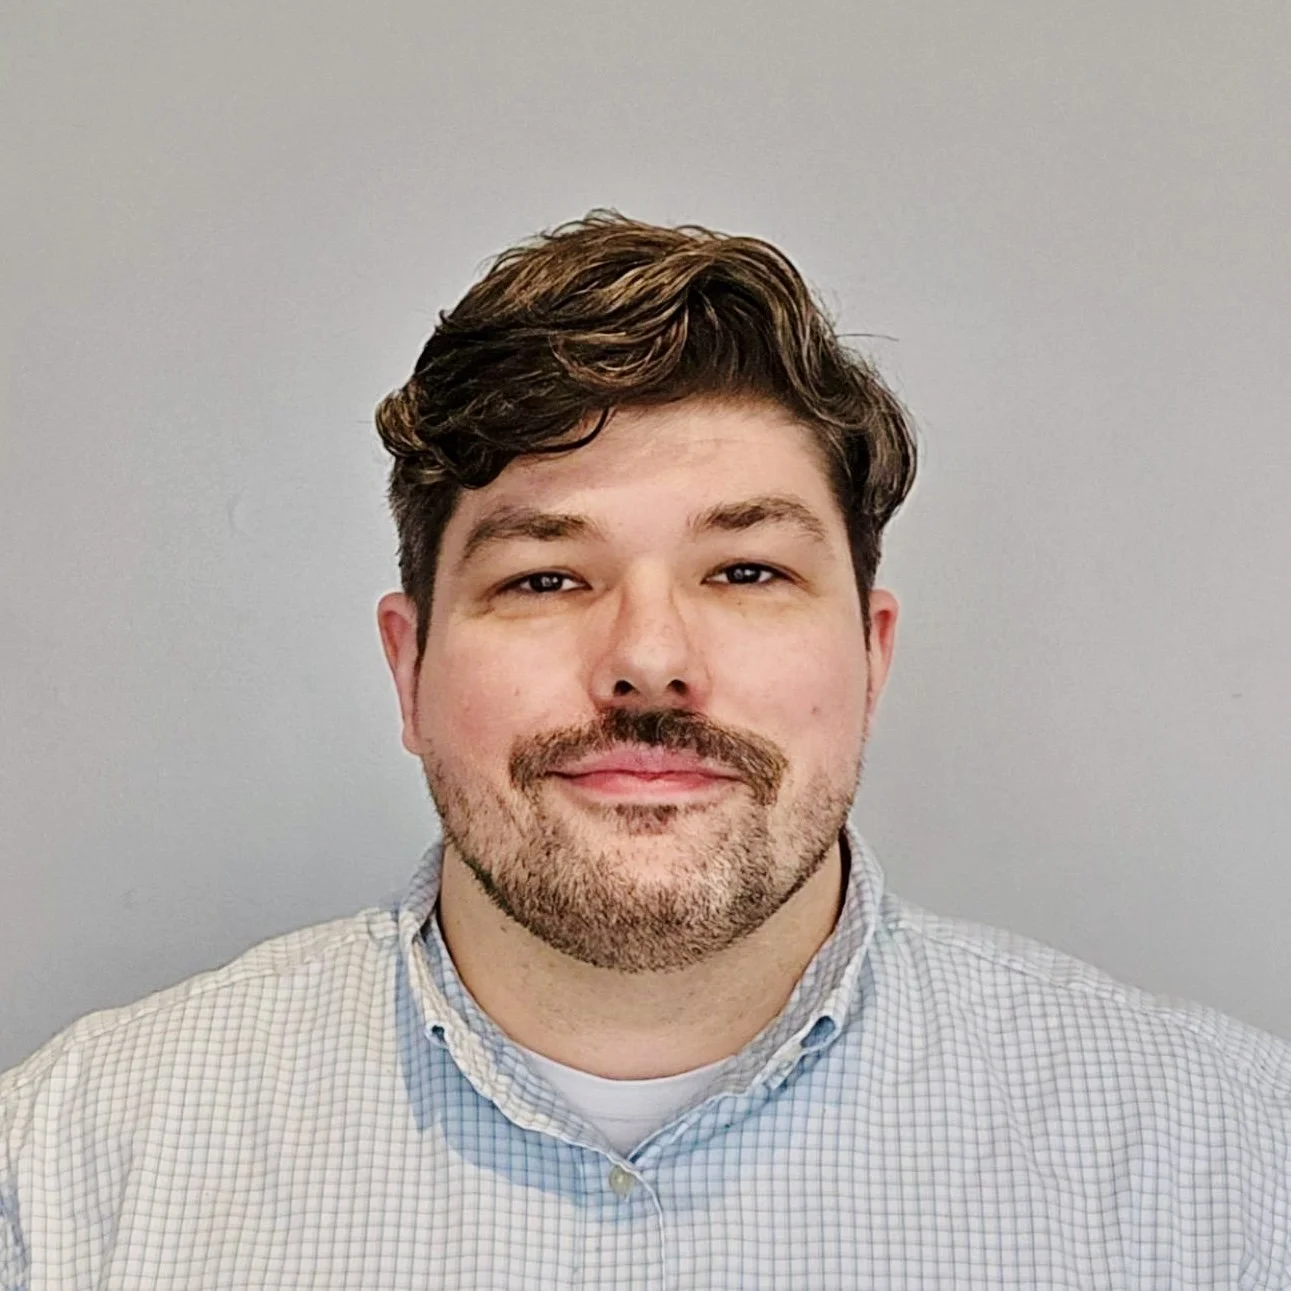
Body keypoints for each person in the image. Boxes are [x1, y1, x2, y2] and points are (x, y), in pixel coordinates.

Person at [2, 212, 1287, 1291]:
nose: (650, 659)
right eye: (549, 576)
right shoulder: (69, 1176)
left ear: (871, 656)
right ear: (408, 668)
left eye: (746, 567)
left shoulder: (1232, 1165)